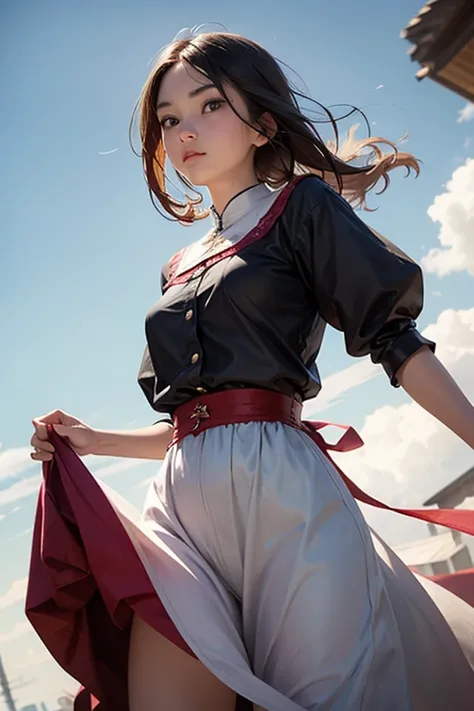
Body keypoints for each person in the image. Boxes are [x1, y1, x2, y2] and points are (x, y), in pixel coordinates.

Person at [29, 29, 474, 711]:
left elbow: (397, 341)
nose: (184, 131)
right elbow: (190, 424)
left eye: (208, 105)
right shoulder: (175, 268)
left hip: (287, 501)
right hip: (179, 508)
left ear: (264, 122)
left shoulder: (303, 209)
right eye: (169, 119)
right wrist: (93, 440)